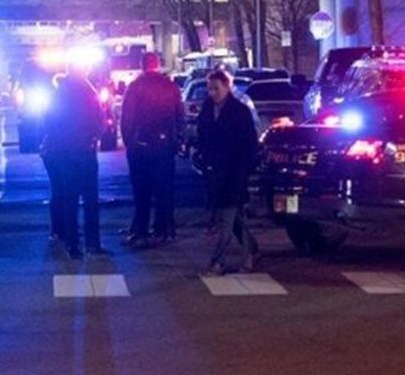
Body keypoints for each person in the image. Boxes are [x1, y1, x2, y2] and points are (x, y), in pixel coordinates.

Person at [196, 69, 260, 275]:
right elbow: (202, 135)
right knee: (234, 220)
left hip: (234, 172)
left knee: (226, 218)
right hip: (214, 171)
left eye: (216, 88)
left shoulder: (239, 111)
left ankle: (217, 262)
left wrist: (244, 170)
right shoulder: (207, 108)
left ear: (227, 87)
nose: (212, 93)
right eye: (210, 89)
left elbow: (249, 144)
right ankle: (251, 252)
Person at [41, 63, 107, 259]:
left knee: (69, 199)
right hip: (86, 151)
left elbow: (49, 121)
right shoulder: (89, 91)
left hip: (65, 152)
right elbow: (101, 120)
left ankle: (72, 244)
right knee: (90, 200)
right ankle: (93, 243)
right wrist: (93, 138)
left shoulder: (60, 93)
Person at [120, 53, 185, 247]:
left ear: (142, 65)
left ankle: (141, 230)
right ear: (158, 64)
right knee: (164, 190)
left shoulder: (135, 87)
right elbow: (179, 116)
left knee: (142, 191)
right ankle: (164, 229)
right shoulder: (170, 86)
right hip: (164, 147)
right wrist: (176, 140)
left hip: (141, 146)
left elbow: (127, 119)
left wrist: (129, 143)